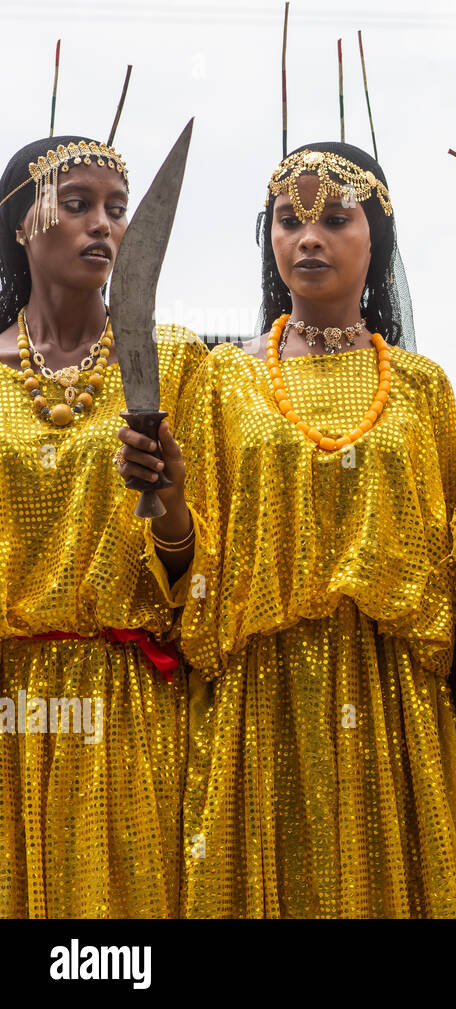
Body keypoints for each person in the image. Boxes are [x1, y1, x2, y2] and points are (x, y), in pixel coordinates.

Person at [167, 142, 456, 917]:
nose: (308, 238)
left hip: (395, 703)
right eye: (288, 220)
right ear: (269, 239)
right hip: (260, 697)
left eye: (334, 219)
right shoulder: (222, 380)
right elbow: (186, 564)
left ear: (374, 240)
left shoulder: (419, 386)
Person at [0, 135, 206, 916]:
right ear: (21, 223)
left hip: (134, 701)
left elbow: (203, 576)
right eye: (78, 204)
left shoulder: (176, 361)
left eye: (117, 210)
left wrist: (173, 501)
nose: (104, 226)